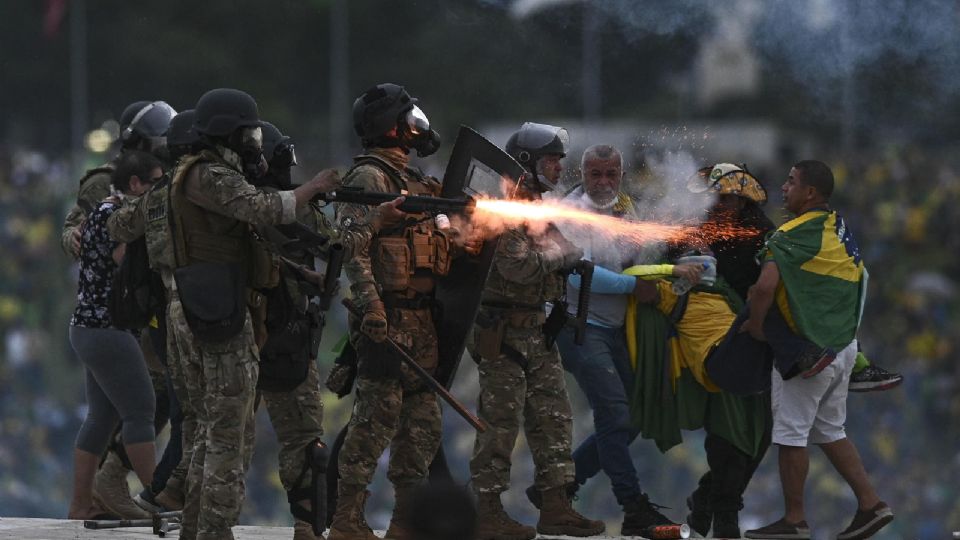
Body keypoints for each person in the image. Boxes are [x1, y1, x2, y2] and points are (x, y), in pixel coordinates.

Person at [161, 88, 340, 540]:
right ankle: (213, 530)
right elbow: (262, 208)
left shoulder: (203, 174)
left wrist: (303, 271)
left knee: (215, 429)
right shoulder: (209, 175)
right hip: (219, 311)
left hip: (213, 306)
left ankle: (199, 528)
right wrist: (312, 189)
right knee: (227, 433)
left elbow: (254, 242)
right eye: (249, 132)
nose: (254, 141)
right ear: (230, 131)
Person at [329, 83, 471, 540]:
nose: (418, 123)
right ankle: (346, 520)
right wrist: (372, 308)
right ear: (393, 125)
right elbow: (350, 250)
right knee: (371, 428)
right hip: (385, 321)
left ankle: (406, 525)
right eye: (408, 115)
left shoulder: (418, 183)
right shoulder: (368, 180)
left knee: (421, 434)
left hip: (423, 323)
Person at [253, 121, 405, 540]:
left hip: (241, 333)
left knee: (220, 435)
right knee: (303, 438)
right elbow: (335, 244)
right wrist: (375, 221)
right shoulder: (279, 204)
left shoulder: (241, 204)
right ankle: (307, 526)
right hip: (279, 334)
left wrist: (301, 272)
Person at [546, 144, 697, 535]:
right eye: (595, 174)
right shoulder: (571, 214)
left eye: (610, 174)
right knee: (616, 415)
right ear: (583, 174)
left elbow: (635, 258)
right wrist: (634, 287)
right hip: (579, 327)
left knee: (631, 419)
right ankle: (633, 507)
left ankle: (557, 490)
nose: (603, 182)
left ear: (621, 174)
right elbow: (578, 275)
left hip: (615, 328)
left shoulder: (623, 208)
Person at [743, 160, 893, 540]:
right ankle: (871, 504)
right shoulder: (838, 229)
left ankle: (794, 520)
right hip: (842, 349)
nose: (783, 188)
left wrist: (758, 326)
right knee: (830, 430)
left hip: (807, 353)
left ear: (810, 193)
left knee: (791, 434)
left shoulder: (788, 236)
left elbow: (763, 288)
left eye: (791, 182)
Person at [469, 124, 604, 540]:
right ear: (527, 163)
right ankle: (487, 511)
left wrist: (566, 252)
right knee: (500, 423)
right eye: (551, 159)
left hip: (537, 330)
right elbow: (516, 267)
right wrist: (559, 255)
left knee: (554, 419)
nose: (559, 167)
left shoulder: (537, 208)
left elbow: (558, 252)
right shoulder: (504, 209)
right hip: (505, 331)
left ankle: (556, 505)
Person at [67, 150, 163, 520]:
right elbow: (129, 262)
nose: (159, 190)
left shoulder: (104, 212)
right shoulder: (115, 218)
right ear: (135, 184)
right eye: (154, 182)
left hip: (89, 328)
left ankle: (80, 505)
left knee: (102, 417)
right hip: (108, 330)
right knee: (141, 410)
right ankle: (157, 499)